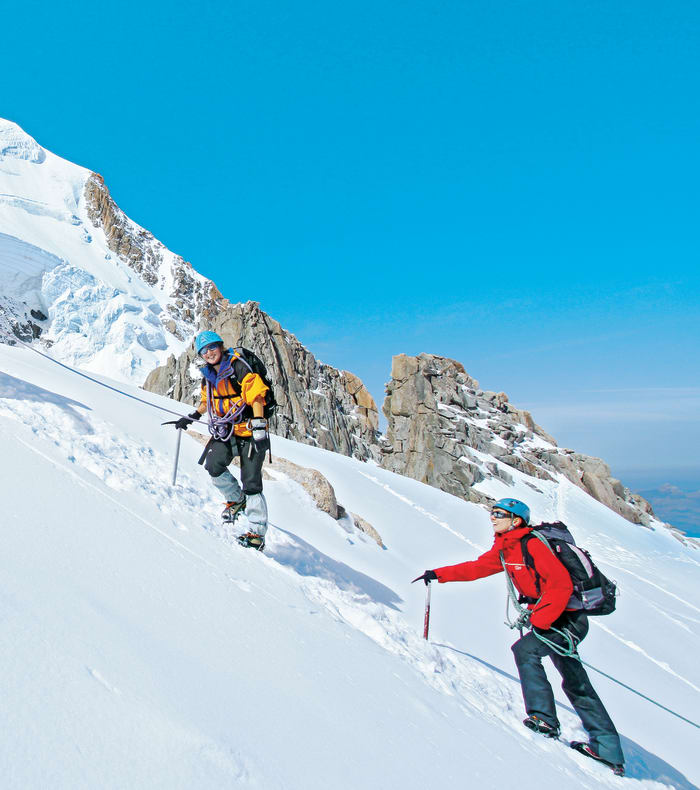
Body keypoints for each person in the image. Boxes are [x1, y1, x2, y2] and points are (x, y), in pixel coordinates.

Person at [413, 497, 625, 776]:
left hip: (567, 619)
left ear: (516, 520)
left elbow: (560, 586)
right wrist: (439, 574)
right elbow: (477, 568)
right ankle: (607, 748)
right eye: (492, 512)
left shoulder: (532, 544)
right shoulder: (506, 548)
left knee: (526, 651)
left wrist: (540, 619)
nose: (492, 517)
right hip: (553, 616)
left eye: (499, 513)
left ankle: (544, 719)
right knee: (574, 679)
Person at [173, 331, 270, 550]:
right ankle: (236, 500)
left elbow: (256, 395)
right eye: (204, 351)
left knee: (252, 482)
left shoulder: (238, 367)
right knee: (214, 464)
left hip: (250, 431)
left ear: (220, 346)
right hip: (227, 431)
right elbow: (207, 401)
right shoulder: (207, 375)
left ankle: (256, 533)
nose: (209, 353)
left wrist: (259, 426)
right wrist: (192, 417)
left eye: (212, 348)